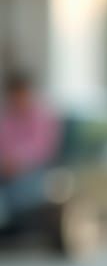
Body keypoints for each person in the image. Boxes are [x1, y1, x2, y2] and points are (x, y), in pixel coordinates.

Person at [0, 69, 61, 221]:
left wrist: (17, 162)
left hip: (34, 174)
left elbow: (41, 150)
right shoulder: (6, 118)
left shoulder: (42, 117)